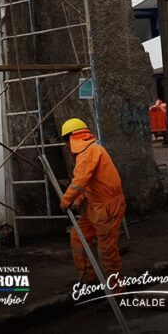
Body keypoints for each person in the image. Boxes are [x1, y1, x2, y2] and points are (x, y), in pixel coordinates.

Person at [59, 118, 126, 285]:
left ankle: (117, 292)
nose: (66, 146)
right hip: (96, 207)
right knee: (78, 236)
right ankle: (88, 279)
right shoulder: (90, 150)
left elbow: (80, 180)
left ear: (72, 138)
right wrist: (79, 199)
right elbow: (89, 182)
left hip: (107, 207)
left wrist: (66, 200)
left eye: (65, 141)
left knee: (107, 251)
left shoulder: (88, 152)